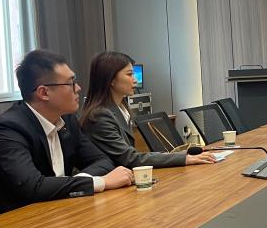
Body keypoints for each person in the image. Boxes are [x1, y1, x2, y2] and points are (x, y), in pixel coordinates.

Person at [0, 50, 134, 225]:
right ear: (43, 92)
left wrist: (74, 183)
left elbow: (102, 161)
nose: (78, 88)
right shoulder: (8, 130)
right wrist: (100, 182)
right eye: (70, 83)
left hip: (50, 216)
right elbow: (33, 187)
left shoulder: (67, 121)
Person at [79, 51, 217, 168]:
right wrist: (183, 159)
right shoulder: (99, 116)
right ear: (111, 80)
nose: (135, 80)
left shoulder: (120, 108)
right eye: (129, 74)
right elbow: (130, 159)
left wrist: (182, 155)